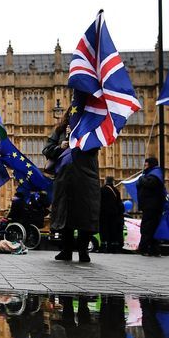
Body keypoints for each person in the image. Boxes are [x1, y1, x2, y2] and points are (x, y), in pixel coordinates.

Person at [43, 112, 100, 263]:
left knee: (84, 215)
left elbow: (95, 148)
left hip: (85, 178)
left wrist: (77, 141)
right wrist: (61, 146)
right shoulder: (60, 131)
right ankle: (66, 250)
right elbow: (47, 149)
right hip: (64, 179)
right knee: (65, 215)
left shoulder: (91, 130)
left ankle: (83, 251)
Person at [135, 158, 166, 256]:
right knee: (151, 228)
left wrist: (141, 179)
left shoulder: (155, 174)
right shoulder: (153, 174)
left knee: (147, 228)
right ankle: (154, 249)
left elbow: (149, 183)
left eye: (146, 165)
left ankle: (144, 248)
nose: (144, 166)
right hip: (150, 206)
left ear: (151, 165)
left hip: (152, 207)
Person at [98, 177, 124, 253]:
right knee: (112, 230)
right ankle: (112, 247)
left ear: (105, 181)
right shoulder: (116, 191)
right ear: (113, 182)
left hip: (103, 214)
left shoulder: (101, 190)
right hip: (114, 215)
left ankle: (103, 246)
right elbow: (119, 204)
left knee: (103, 230)